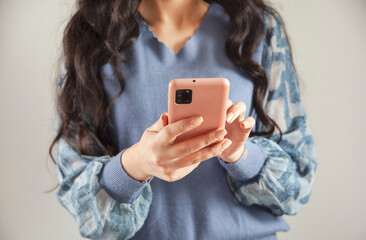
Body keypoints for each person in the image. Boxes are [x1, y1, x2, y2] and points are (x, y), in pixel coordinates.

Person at [49, 0, 318, 239]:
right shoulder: (92, 35)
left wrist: (242, 156)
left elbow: (298, 183)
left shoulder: (259, 28)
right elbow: (81, 202)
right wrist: (136, 165)